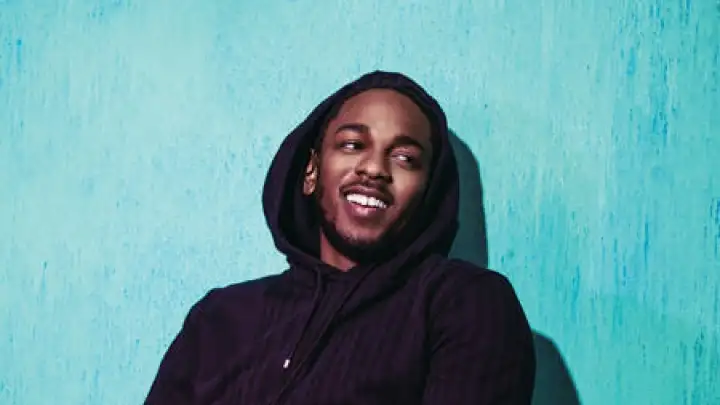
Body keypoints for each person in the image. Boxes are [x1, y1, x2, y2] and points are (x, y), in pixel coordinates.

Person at [144, 71, 536, 405]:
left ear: (428, 193)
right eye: (352, 145)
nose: (374, 168)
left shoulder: (463, 303)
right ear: (311, 171)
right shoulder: (220, 318)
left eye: (405, 158)